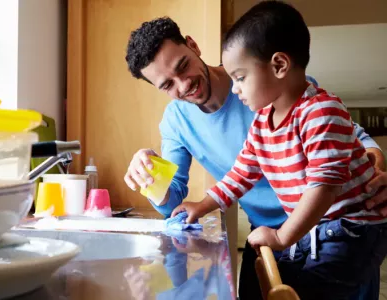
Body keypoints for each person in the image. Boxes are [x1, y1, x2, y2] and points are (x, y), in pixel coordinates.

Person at [124, 16, 387, 300]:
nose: (183, 85)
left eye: (183, 66)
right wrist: (151, 177)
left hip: (337, 226)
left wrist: (375, 167)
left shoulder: (272, 83)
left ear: (193, 45)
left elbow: (345, 139)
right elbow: (238, 173)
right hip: (269, 233)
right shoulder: (191, 120)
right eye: (167, 85)